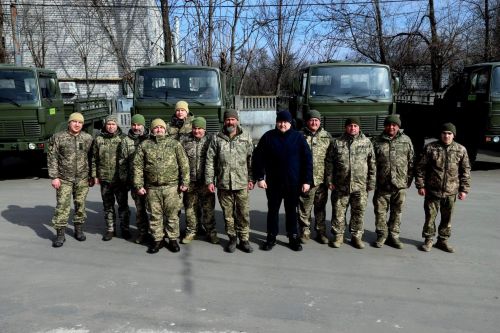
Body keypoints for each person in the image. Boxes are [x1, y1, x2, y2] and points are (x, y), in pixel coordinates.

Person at [253, 110, 313, 252]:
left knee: (291, 211)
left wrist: (306, 181)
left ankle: (293, 237)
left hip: (293, 183)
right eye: (280, 122)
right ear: (276, 122)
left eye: (285, 122)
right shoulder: (268, 137)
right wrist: (260, 178)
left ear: (290, 122)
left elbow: (307, 161)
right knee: (273, 211)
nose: (282, 124)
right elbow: (258, 158)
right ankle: (271, 237)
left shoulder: (298, 138)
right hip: (273, 183)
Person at [133, 118, 190, 254]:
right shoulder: (145, 145)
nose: (159, 130)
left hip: (172, 187)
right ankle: (157, 240)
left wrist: (185, 182)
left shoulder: (174, 144)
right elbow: (138, 166)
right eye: (156, 128)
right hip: (152, 188)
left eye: (161, 127)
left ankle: (172, 239)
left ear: (165, 129)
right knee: (155, 215)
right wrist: (139, 185)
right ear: (152, 130)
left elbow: (184, 164)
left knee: (172, 215)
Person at [415, 122, 471, 253]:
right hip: (432, 190)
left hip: (451, 191)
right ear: (440, 134)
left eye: (449, 133)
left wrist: (464, 189)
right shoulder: (431, 148)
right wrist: (420, 185)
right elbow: (420, 168)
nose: (446, 136)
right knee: (430, 217)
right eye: (444, 133)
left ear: (453, 135)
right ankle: (428, 240)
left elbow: (465, 170)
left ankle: (443, 240)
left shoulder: (460, 150)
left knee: (447, 218)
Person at [205, 109, 254, 253]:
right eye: (228, 120)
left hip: (242, 183)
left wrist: (251, 178)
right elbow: (210, 161)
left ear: (237, 120)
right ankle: (232, 239)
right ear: (224, 121)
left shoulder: (246, 136)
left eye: (233, 119)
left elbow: (251, 159)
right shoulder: (216, 138)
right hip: (223, 183)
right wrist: (209, 181)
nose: (230, 122)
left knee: (243, 213)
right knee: (228, 215)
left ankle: (244, 240)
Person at [327, 116, 376, 249]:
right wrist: (329, 180)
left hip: (360, 186)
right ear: (345, 127)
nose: (352, 128)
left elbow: (372, 163)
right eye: (350, 126)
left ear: (359, 128)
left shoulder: (366, 142)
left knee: (358, 212)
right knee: (338, 211)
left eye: (355, 126)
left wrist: (371, 182)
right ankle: (338, 236)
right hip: (340, 185)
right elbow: (329, 163)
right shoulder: (337, 142)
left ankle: (356, 236)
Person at [47, 112, 94, 248]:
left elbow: (92, 158)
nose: (77, 124)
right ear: (69, 122)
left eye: (80, 122)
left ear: (82, 124)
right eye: (74, 122)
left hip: (82, 178)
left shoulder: (87, 138)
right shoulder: (58, 137)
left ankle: (78, 230)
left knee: (80, 205)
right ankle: (60, 234)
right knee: (62, 206)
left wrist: (92, 176)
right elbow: (52, 158)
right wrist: (54, 177)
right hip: (64, 178)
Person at [371, 115, 415, 249]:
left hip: (399, 185)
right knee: (380, 212)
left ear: (398, 126)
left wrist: (408, 180)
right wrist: (373, 181)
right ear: (385, 126)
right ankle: (382, 235)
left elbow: (411, 162)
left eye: (394, 125)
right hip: (382, 184)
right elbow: (371, 163)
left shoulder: (406, 140)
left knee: (397, 212)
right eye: (389, 125)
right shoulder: (376, 141)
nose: (391, 127)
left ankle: (394, 236)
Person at [179, 117, 218, 245]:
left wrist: (213, 179)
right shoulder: (184, 139)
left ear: (204, 129)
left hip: (206, 181)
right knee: (190, 209)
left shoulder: (211, 139)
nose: (196, 131)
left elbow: (216, 160)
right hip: (189, 181)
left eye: (200, 128)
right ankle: (191, 232)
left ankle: (211, 232)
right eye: (194, 128)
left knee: (208, 209)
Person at [92, 115, 130, 241]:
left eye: (113, 124)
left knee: (123, 206)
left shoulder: (124, 139)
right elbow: (94, 159)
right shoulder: (98, 139)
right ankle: (110, 229)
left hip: (120, 179)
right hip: (105, 180)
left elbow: (128, 159)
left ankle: (125, 228)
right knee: (108, 206)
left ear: (117, 125)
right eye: (109, 124)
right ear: (105, 125)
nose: (111, 126)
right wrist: (95, 175)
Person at [297, 110, 333, 244]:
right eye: (311, 120)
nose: (314, 122)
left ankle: (321, 232)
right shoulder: (299, 136)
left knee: (320, 208)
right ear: (307, 121)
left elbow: (330, 159)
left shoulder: (326, 136)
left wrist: (329, 179)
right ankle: (304, 232)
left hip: (321, 180)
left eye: (316, 120)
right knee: (304, 208)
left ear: (320, 121)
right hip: (305, 180)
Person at [118, 114, 151, 244]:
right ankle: (143, 232)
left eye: (139, 125)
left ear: (144, 125)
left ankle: (157, 234)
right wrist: (125, 179)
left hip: (151, 181)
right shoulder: (126, 141)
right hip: (135, 181)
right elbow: (122, 162)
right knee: (140, 209)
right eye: (134, 125)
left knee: (155, 209)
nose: (136, 127)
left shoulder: (150, 137)